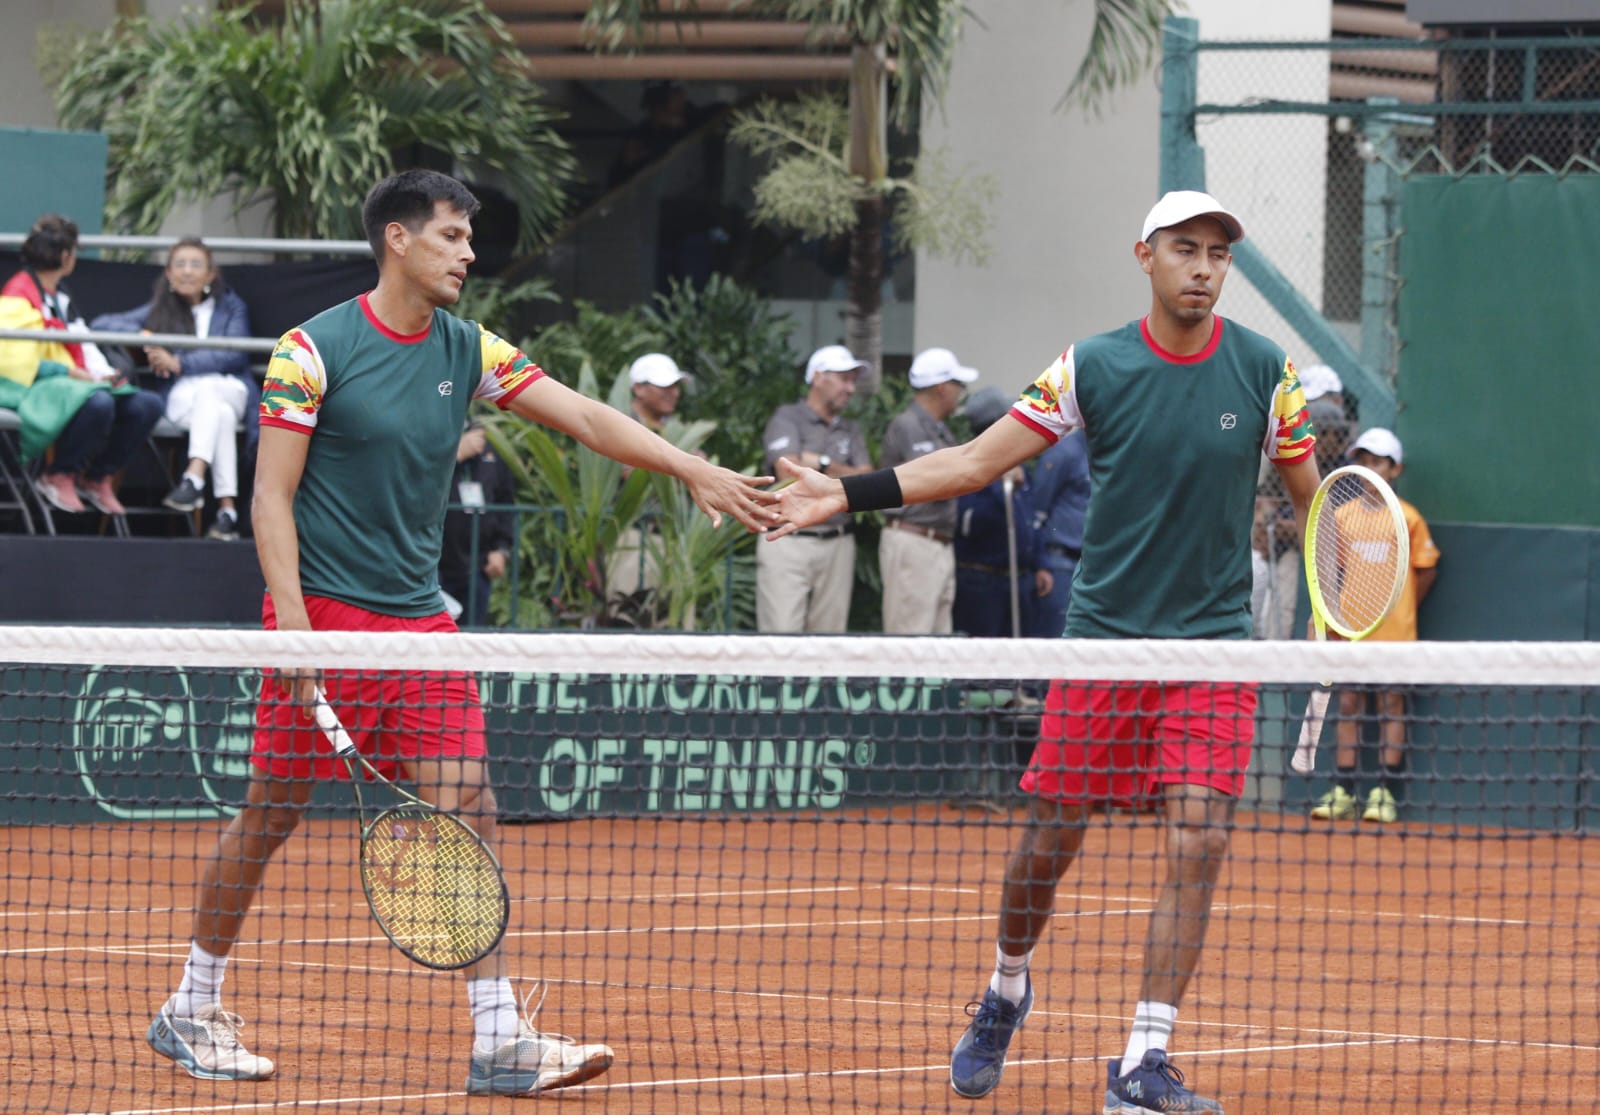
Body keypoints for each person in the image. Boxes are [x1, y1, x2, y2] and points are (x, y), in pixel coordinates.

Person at [143, 169, 777, 1094]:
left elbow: (589, 415)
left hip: (422, 620)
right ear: (397, 240)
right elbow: (270, 499)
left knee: (468, 803)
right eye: (451, 236)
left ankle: (498, 1037)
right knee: (269, 815)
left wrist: (690, 467)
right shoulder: (309, 352)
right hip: (325, 618)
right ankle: (190, 1004)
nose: (468, 253)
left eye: (469, 238)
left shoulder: (468, 348)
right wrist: (292, 630)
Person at [769, 190, 1321, 1114]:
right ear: (1143, 255)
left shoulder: (1269, 371)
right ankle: (1008, 985)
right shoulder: (1091, 365)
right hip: (1105, 639)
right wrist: (846, 495)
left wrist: (1340, 569)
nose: (1203, 268)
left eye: (1218, 255)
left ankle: (1144, 1061)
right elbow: (975, 462)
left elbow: (1316, 503)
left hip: (1213, 648)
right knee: (1049, 843)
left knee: (1203, 836)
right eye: (1185, 250)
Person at [1310, 427, 1440, 824]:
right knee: (1348, 704)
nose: (1369, 469)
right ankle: (1344, 790)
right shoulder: (1342, 516)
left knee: (1391, 704)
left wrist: (1397, 614)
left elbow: (1425, 570)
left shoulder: (1409, 518)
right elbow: (1329, 575)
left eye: (1377, 462)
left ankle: (1383, 792)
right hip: (1349, 633)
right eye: (1363, 461)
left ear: (1394, 469)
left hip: (1396, 636)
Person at [91, 236, 257, 540]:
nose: (187, 272)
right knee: (217, 412)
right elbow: (102, 323)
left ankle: (194, 477)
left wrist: (178, 362)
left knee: (213, 393)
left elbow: (234, 353)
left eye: (196, 265)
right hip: (185, 398)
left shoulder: (232, 307)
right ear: (168, 273)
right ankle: (227, 511)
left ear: (210, 274)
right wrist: (144, 335)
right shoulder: (160, 310)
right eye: (180, 264)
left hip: (230, 388)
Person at [0, 213, 163, 516]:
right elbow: (10, 359)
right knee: (98, 403)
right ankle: (59, 473)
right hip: (31, 384)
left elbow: (80, 340)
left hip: (73, 382)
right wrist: (66, 372)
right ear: (66, 256)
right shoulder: (16, 295)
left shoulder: (62, 295)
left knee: (146, 405)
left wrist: (103, 373)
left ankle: (97, 476)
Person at [755, 344, 873, 632]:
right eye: (844, 378)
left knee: (829, 643)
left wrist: (818, 462)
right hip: (789, 541)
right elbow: (788, 470)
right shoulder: (787, 418)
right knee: (781, 637)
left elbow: (868, 479)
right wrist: (841, 474)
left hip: (838, 541)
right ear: (818, 377)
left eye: (853, 380)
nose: (851, 388)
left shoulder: (851, 429)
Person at [879, 347, 978, 633]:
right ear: (942, 388)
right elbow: (931, 480)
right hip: (913, 539)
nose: (960, 392)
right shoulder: (908, 425)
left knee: (936, 642)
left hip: (937, 542)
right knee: (910, 641)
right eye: (958, 385)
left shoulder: (940, 430)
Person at [951, 386, 1042, 640]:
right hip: (982, 580)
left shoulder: (1017, 463)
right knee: (982, 660)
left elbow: (1031, 519)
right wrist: (1001, 492)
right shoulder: (970, 467)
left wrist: (1040, 563)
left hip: (1019, 579)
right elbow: (968, 523)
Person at [607, 352, 692, 613]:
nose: (673, 393)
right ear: (638, 389)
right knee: (626, 614)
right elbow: (630, 473)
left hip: (673, 537)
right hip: (631, 536)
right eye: (664, 387)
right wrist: (685, 468)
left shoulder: (678, 429)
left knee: (674, 617)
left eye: (675, 386)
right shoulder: (620, 423)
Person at [439, 421, 516, 627]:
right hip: (434, 564)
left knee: (473, 639)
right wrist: (454, 455)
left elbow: (506, 501)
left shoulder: (491, 441)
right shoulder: (432, 434)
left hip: (478, 565)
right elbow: (415, 481)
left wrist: (501, 549)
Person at [1026, 426, 1090, 639]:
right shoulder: (1065, 452)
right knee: (1056, 637)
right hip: (1060, 561)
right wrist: (1041, 564)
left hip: (1091, 563)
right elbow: (1037, 510)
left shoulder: (1105, 450)